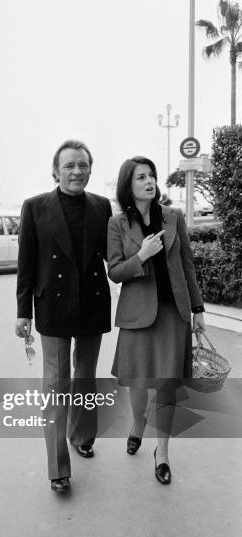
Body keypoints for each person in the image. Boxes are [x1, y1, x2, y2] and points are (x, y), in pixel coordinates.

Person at [15, 140, 113, 493]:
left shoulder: (102, 207)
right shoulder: (35, 207)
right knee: (56, 384)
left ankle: (83, 436)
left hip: (92, 303)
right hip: (53, 307)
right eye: (69, 165)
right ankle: (58, 468)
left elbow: (112, 257)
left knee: (85, 377)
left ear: (90, 169)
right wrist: (22, 311)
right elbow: (25, 263)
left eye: (83, 165)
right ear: (55, 171)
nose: (76, 171)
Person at [107, 157, 205, 484]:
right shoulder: (118, 224)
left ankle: (161, 453)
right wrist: (142, 256)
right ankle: (138, 424)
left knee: (166, 384)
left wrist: (198, 309)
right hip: (137, 314)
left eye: (151, 175)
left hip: (173, 314)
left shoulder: (174, 217)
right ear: (128, 185)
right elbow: (116, 271)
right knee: (137, 381)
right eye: (141, 177)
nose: (149, 181)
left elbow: (188, 267)